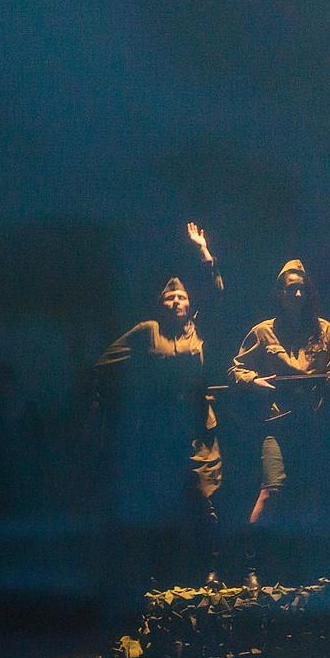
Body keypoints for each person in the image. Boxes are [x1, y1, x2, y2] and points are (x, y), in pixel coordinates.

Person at [95, 223, 224, 586]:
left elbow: (216, 295)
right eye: (170, 298)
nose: (177, 301)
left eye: (182, 296)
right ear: (160, 304)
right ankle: (161, 573)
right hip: (161, 429)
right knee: (163, 501)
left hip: (197, 429)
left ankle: (211, 568)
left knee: (204, 499)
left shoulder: (199, 329)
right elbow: (105, 363)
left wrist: (203, 252)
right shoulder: (147, 331)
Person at [229, 260, 330, 585]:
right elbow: (236, 369)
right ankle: (250, 566)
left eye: (302, 288)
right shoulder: (263, 332)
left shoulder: (325, 331)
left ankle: (310, 566)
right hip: (277, 423)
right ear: (279, 293)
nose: (298, 294)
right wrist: (253, 381)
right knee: (272, 491)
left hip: (313, 425)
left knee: (312, 494)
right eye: (292, 288)